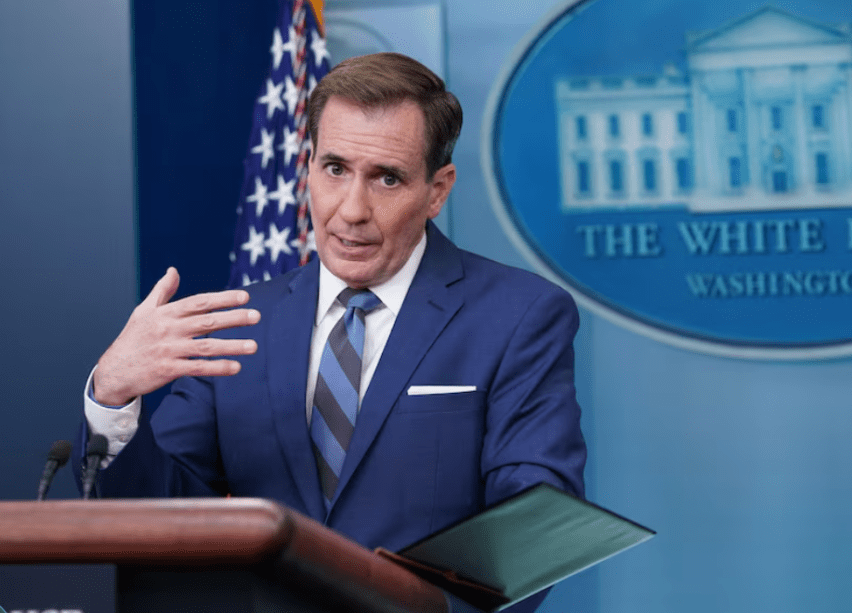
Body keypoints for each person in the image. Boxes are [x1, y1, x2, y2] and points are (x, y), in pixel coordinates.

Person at [79, 52, 586, 612]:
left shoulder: (518, 316)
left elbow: (534, 523)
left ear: (437, 190)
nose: (352, 210)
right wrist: (113, 396)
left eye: (387, 178)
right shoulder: (240, 324)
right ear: (309, 167)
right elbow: (164, 519)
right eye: (336, 169)